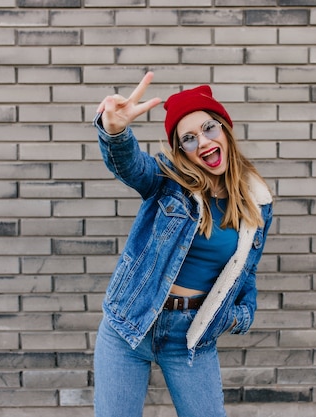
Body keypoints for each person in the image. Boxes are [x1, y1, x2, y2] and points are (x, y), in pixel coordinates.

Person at [92, 72, 273, 417]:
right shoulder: (167, 181)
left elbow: (245, 277)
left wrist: (234, 318)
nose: (203, 142)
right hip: (130, 324)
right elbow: (132, 166)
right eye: (188, 138)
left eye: (208, 128)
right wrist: (115, 132)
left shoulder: (257, 201)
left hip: (191, 336)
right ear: (181, 151)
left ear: (224, 129)